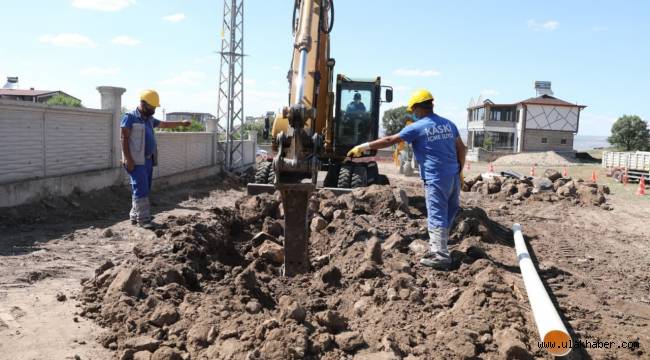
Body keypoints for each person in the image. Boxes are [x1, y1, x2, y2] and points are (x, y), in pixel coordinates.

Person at [347, 89, 466, 270]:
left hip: (436, 178)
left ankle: (440, 256)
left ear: (419, 108)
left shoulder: (417, 127)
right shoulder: (449, 124)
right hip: (453, 176)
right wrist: (459, 172)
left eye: (414, 110)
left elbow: (390, 139)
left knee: (436, 213)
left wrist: (363, 147)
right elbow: (461, 149)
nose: (414, 113)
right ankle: (441, 248)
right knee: (449, 212)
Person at [120, 90, 191, 229]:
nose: (153, 110)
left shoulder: (149, 119)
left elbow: (164, 124)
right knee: (141, 188)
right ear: (142, 103)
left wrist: (181, 123)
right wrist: (128, 159)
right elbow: (124, 138)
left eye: (154, 107)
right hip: (136, 160)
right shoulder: (130, 117)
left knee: (143, 188)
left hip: (148, 159)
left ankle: (136, 215)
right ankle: (144, 219)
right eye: (151, 107)